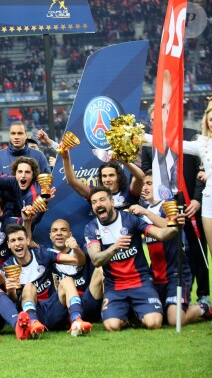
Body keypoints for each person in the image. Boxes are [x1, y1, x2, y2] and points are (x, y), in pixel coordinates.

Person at [84, 186, 184, 331]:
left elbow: (161, 234)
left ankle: (137, 312)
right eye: (94, 202)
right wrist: (115, 247)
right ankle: (129, 315)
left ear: (112, 202)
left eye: (102, 200)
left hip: (141, 282)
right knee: (112, 326)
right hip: (115, 286)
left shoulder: (130, 219)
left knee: (154, 323)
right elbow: (95, 259)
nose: (98, 204)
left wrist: (175, 226)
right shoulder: (91, 227)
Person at [142, 102, 210, 305]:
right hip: (164, 207)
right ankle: (176, 298)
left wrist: (197, 199)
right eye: (153, 120)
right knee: (170, 252)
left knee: (197, 251)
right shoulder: (150, 143)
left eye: (161, 118)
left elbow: (202, 171)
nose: (157, 123)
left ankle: (204, 296)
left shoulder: (192, 136)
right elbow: (147, 172)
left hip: (191, 204)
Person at [128, 171, 211, 325]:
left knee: (175, 320)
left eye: (150, 184)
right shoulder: (141, 210)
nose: (145, 188)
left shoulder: (169, 205)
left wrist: (146, 212)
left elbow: (170, 226)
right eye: (144, 184)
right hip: (154, 276)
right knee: (156, 317)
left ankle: (203, 307)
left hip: (176, 273)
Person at [3, 221, 92, 339]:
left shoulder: (43, 254)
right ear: (8, 244)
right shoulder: (8, 266)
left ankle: (77, 320)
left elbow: (79, 261)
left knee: (67, 280)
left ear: (28, 241)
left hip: (53, 309)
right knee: (29, 286)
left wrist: (75, 248)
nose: (17, 244)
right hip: (33, 311)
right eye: (13, 241)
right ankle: (33, 324)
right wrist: (10, 290)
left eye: (20, 239)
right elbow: (13, 299)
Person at [50, 219, 104, 324]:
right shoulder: (45, 254)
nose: (59, 233)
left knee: (101, 269)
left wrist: (76, 248)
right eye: (55, 230)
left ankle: (108, 311)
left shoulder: (81, 249)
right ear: (50, 235)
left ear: (70, 234)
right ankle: (70, 318)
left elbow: (82, 260)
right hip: (63, 305)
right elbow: (28, 244)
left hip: (86, 301)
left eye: (63, 230)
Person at [60, 147, 145, 210]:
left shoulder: (129, 192)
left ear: (119, 177)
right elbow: (72, 181)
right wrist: (65, 157)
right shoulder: (96, 193)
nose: (107, 179)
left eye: (111, 175)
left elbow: (140, 177)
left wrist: (121, 160)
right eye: (104, 176)